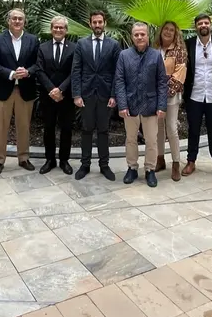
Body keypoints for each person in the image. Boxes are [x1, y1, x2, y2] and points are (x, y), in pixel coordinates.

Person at [114, 23, 168, 187]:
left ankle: (150, 170)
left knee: (151, 140)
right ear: (132, 37)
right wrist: (122, 105)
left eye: (142, 34)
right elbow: (119, 81)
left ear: (147, 36)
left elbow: (162, 83)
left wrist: (162, 106)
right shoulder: (124, 55)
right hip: (130, 106)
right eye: (136, 34)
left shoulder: (155, 56)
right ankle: (132, 167)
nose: (139, 37)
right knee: (131, 139)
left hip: (151, 105)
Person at [0, 8, 40, 175]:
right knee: (1, 127)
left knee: (24, 126)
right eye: (14, 19)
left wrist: (28, 72)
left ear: (25, 22)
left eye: (20, 19)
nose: (17, 21)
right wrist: (10, 74)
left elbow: (38, 63)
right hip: (3, 89)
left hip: (25, 89)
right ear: (8, 21)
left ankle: (23, 158)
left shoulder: (33, 40)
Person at [71, 10, 121, 181]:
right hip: (86, 94)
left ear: (104, 23)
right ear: (90, 24)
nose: (97, 25)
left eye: (100, 22)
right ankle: (85, 165)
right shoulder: (81, 44)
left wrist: (115, 95)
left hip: (106, 95)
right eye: (94, 22)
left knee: (103, 130)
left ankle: (104, 165)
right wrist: (76, 94)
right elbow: (76, 70)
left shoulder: (114, 45)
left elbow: (117, 73)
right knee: (86, 130)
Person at [182, 14, 212, 179]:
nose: (203, 25)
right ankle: (191, 161)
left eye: (206, 23)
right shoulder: (188, 44)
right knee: (193, 129)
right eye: (200, 23)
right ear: (196, 27)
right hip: (194, 95)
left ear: (210, 25)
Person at [35, 16, 75, 175]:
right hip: (48, 96)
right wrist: (52, 89)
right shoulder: (42, 48)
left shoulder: (74, 48)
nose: (58, 30)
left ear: (66, 30)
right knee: (48, 128)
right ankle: (50, 160)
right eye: (55, 27)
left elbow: (75, 71)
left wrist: (61, 90)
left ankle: (64, 160)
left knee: (67, 129)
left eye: (61, 27)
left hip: (67, 96)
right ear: (51, 29)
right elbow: (39, 70)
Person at [153, 21, 187, 182]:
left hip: (171, 95)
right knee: (159, 128)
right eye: (165, 29)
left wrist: (163, 92)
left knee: (171, 128)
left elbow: (179, 75)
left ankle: (175, 163)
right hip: (154, 95)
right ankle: (160, 159)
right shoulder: (154, 49)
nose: (168, 32)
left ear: (175, 34)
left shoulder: (179, 51)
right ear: (161, 31)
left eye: (171, 30)